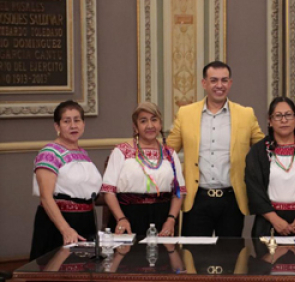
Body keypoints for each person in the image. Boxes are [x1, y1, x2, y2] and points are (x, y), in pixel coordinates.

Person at [167, 61, 264, 236]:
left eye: (224, 80)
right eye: (214, 80)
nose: (219, 85)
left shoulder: (246, 114)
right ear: (204, 83)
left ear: (230, 83)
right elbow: (167, 152)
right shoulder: (185, 113)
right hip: (196, 199)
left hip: (232, 199)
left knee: (231, 257)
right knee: (193, 257)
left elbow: (264, 149)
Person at [245, 97, 295, 237]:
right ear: (270, 121)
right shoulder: (258, 152)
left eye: (288, 115)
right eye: (278, 116)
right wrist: (274, 219)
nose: (284, 120)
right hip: (269, 224)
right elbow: (254, 190)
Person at [30, 100, 102, 260]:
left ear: (83, 124)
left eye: (77, 120)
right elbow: (46, 197)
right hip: (58, 224)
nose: (73, 125)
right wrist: (65, 229)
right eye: (66, 121)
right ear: (57, 126)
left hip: (86, 221)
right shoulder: (49, 153)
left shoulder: (83, 155)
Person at [101, 102, 186, 238]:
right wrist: (121, 219)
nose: (150, 126)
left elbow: (179, 192)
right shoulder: (121, 151)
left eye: (154, 120)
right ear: (135, 127)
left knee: (161, 258)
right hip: (128, 216)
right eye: (143, 121)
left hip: (161, 218)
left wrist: (171, 220)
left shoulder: (170, 154)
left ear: (160, 124)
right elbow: (108, 192)